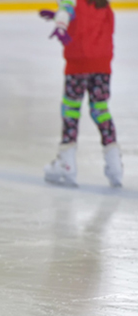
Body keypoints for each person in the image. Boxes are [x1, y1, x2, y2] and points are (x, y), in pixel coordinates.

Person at [40, 0, 123, 187]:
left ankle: (66, 163)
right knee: (100, 109)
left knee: (70, 110)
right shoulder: (104, 5)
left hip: (77, 65)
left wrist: (60, 23)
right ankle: (115, 162)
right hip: (102, 66)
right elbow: (94, 24)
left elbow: (67, 11)